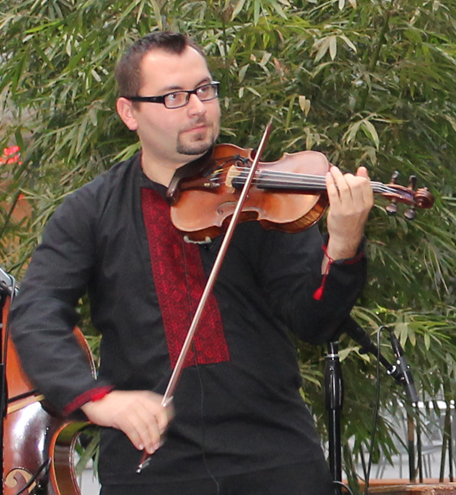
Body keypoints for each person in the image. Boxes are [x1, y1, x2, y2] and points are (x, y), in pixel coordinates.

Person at [9, 31, 374, 495]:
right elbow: (37, 313)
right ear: (130, 113)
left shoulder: (259, 192)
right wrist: (98, 400)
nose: (198, 107)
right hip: (153, 466)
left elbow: (314, 319)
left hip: (274, 457)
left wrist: (343, 242)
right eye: (174, 97)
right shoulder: (90, 211)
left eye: (205, 89)